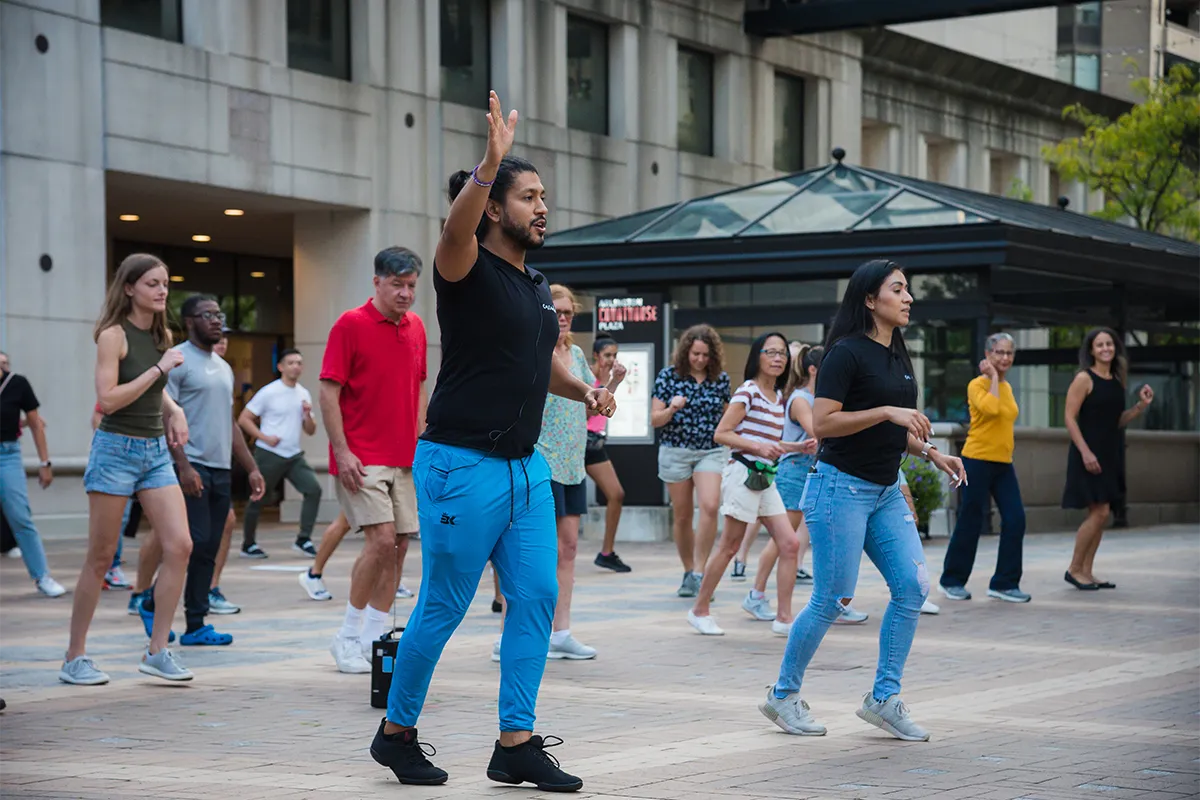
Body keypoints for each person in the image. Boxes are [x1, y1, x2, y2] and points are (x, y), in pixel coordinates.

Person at [369, 91, 614, 791]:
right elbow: (453, 234)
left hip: (523, 469)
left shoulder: (536, 286)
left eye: (544, 197)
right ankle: (396, 733)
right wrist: (490, 165)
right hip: (459, 465)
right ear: (496, 206)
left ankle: (515, 743)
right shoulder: (464, 270)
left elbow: (538, 365)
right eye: (529, 196)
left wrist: (585, 390)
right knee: (443, 605)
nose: (541, 207)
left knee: (536, 595)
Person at [758, 259, 966, 743]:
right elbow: (825, 424)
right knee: (832, 597)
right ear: (871, 300)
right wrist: (887, 410)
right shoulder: (845, 354)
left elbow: (896, 426)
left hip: (886, 488)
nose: (909, 297)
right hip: (839, 488)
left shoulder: (897, 352)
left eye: (908, 289)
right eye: (899, 289)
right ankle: (783, 695)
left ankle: (883, 698)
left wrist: (933, 452)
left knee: (913, 586)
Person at [62, 253, 195, 684]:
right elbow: (109, 398)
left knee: (179, 545)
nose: (161, 291)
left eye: (165, 283)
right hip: (115, 450)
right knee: (100, 557)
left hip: (155, 451)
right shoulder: (112, 335)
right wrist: (161, 368)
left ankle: (157, 650)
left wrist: (174, 409)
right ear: (129, 289)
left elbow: (152, 390)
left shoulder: (162, 335)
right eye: (153, 283)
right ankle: (74, 657)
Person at [322, 246, 427, 674]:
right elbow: (328, 391)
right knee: (381, 540)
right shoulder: (351, 324)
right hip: (361, 457)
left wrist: (423, 441)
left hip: (405, 455)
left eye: (411, 286)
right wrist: (342, 451)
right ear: (377, 282)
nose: (405, 294)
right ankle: (346, 636)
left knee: (400, 546)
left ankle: (372, 638)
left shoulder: (417, 327)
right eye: (397, 285)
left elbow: (419, 385)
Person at [139, 295, 265, 647]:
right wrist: (183, 465)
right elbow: (166, 416)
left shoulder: (222, 367)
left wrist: (251, 467)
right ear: (190, 320)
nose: (216, 321)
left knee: (208, 546)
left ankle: (195, 625)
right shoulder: (177, 360)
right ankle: (151, 601)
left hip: (220, 468)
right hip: (191, 467)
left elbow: (229, 423)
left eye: (219, 315)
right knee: (190, 544)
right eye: (208, 315)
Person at [528, 284, 623, 660]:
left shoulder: (578, 353)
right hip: (540, 460)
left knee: (567, 549)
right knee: (534, 553)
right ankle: (513, 633)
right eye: (558, 310)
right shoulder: (536, 347)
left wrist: (612, 382)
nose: (564, 317)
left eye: (569, 312)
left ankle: (561, 632)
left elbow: (590, 406)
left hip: (571, 464)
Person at [686, 332, 801, 637]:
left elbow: (771, 443)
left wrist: (797, 447)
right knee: (729, 547)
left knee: (790, 544)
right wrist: (757, 447)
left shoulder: (779, 398)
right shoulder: (747, 391)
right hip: (742, 475)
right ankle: (699, 610)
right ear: (758, 357)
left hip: (765, 479)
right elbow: (722, 434)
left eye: (783, 354)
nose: (778, 358)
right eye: (771, 352)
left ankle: (784, 618)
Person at [938, 332, 1030, 603]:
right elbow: (990, 409)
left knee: (1015, 519)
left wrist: (997, 381)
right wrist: (992, 378)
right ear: (988, 356)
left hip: (1003, 463)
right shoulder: (977, 385)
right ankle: (951, 580)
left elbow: (1007, 415)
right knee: (971, 520)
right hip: (976, 460)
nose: (1005, 358)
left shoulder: (1008, 388)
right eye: (999, 352)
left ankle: (1004, 583)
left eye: (1009, 353)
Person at [1062, 327, 1153, 591]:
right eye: (1099, 345)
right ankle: (1074, 569)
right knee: (1099, 511)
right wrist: (1085, 451)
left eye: (1109, 344)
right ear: (1091, 350)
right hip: (1087, 454)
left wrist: (1139, 407)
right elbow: (1069, 417)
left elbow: (1116, 421)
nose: (1105, 349)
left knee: (1101, 514)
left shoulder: (1116, 378)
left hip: (1109, 453)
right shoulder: (1083, 378)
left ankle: (1087, 572)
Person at [652, 324, 730, 598]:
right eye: (695, 354)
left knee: (710, 506)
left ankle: (700, 571)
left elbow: (728, 416)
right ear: (686, 352)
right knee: (683, 515)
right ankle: (688, 572)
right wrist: (672, 407)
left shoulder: (720, 379)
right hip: (676, 451)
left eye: (705, 355)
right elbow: (654, 419)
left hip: (710, 450)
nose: (699, 359)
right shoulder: (668, 377)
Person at [237, 348, 322, 558]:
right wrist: (264, 437)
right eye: (291, 362)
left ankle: (303, 539)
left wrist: (307, 415)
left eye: (299, 363)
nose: (296, 366)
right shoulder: (269, 391)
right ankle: (248, 544)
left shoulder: (303, 393)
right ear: (281, 366)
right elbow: (244, 419)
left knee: (314, 490)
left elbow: (311, 430)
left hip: (293, 455)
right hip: (269, 453)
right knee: (259, 497)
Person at [0, 357, 66, 597]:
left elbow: (37, 425)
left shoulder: (18, 384)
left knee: (20, 516)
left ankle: (42, 577)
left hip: (7, 455)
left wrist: (44, 463)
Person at [587, 336, 630, 573]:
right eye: (607, 355)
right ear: (596, 356)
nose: (612, 360)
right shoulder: (586, 377)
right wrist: (611, 383)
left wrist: (614, 381)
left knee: (617, 494)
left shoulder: (608, 379)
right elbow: (588, 411)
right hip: (575, 442)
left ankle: (607, 552)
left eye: (614, 355)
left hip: (594, 444)